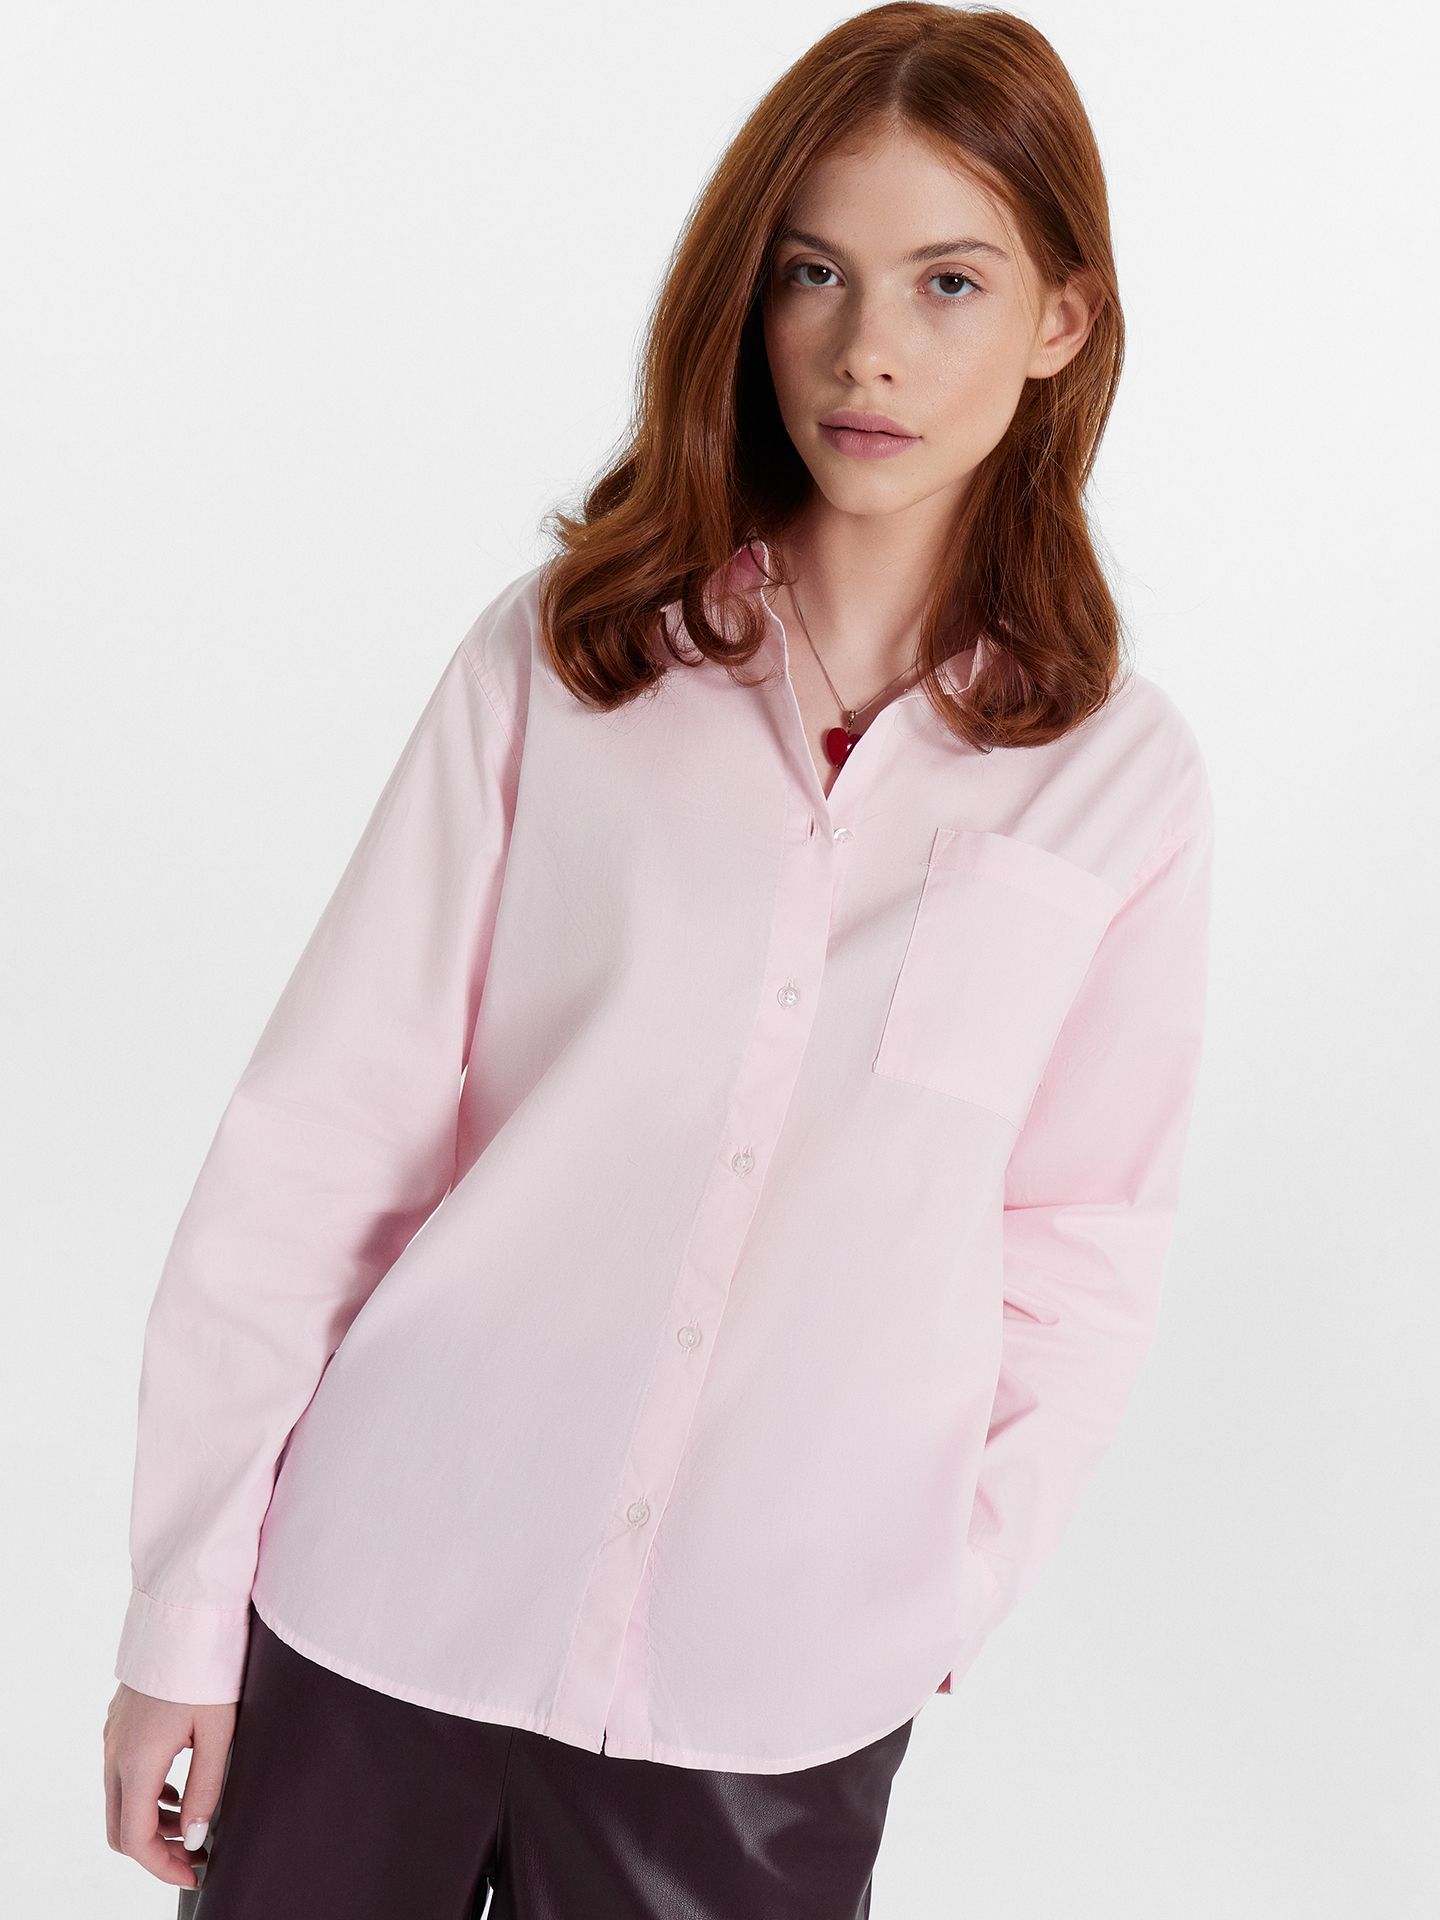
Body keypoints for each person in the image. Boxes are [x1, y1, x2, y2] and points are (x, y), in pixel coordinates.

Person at [103, 5, 1216, 1915]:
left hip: (764, 1703)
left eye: (949, 282)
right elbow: (328, 1129)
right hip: (382, 1608)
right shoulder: (567, 660)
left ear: (1063, 318)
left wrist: (939, 1588)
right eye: (814, 272)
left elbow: (1079, 1249)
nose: (867, 348)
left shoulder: (1120, 787)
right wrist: (183, 1615)